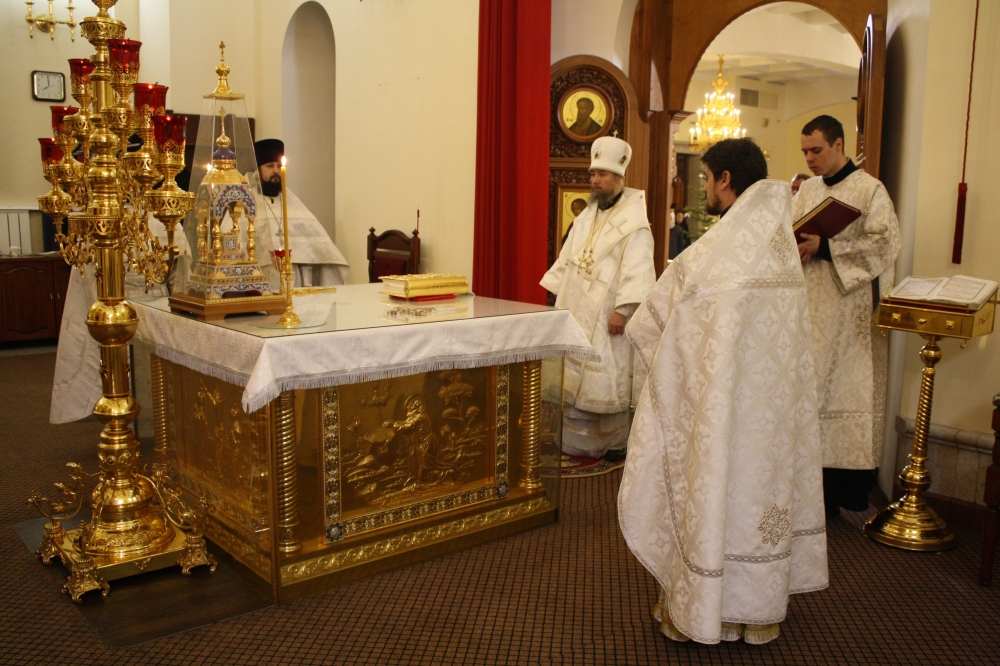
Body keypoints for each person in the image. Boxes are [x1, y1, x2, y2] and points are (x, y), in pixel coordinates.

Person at [619, 138, 828, 645]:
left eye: (708, 179)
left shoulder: (717, 253)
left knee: (715, 492)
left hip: (721, 413)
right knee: (759, 500)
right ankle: (757, 612)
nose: (706, 189)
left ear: (725, 180)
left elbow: (654, 322)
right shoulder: (779, 247)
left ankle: (704, 608)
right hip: (771, 423)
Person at [793, 115, 901, 518]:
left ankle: (840, 495)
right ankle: (805, 495)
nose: (809, 159)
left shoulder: (870, 190)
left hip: (848, 313)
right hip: (810, 307)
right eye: (805, 151)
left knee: (841, 391)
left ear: (838, 144)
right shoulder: (808, 190)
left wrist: (825, 247)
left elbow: (885, 243)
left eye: (816, 150)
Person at [540, 136, 655, 462]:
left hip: (607, 316)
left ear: (619, 177)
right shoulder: (587, 215)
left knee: (604, 379)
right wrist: (557, 290)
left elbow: (639, 269)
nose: (595, 180)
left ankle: (612, 443)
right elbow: (568, 256)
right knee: (573, 378)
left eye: (602, 174)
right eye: (593, 174)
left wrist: (624, 310)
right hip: (577, 307)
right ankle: (572, 441)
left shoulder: (635, 223)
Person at [50, 218, 190, 424]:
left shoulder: (159, 219)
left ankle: (148, 421)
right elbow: (181, 275)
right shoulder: (160, 221)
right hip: (129, 305)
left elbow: (181, 269)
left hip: (142, 306)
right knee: (124, 367)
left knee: (149, 369)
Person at [252, 139, 349, 287]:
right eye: (269, 166)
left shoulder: (294, 204)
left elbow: (314, 250)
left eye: (279, 166)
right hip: (260, 283)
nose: (276, 171)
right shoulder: (247, 204)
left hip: (294, 283)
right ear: (258, 170)